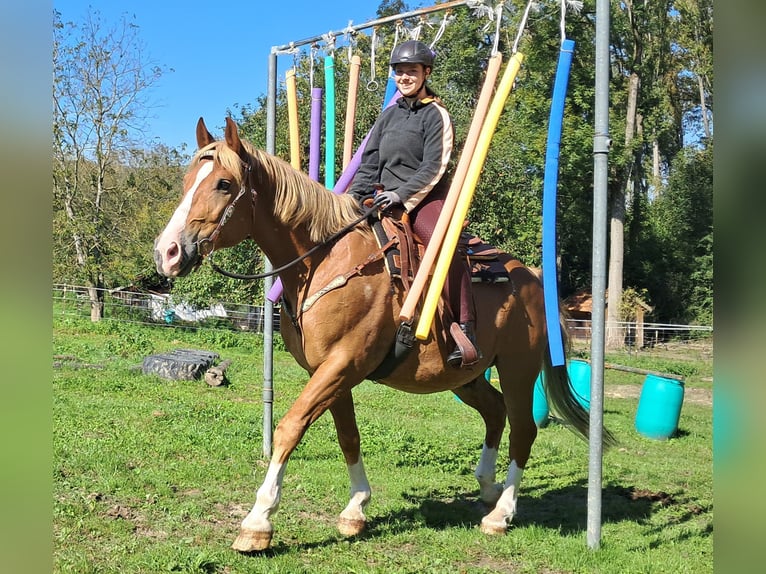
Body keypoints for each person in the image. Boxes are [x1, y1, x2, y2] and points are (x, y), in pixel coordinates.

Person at [347, 39, 480, 367]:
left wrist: (402, 195)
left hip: (424, 200)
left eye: (411, 71)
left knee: (443, 245)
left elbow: (434, 166)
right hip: (380, 198)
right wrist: (353, 199)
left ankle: (466, 328)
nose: (404, 77)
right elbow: (370, 160)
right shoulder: (388, 115)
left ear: (426, 73)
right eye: (399, 72)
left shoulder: (437, 114)